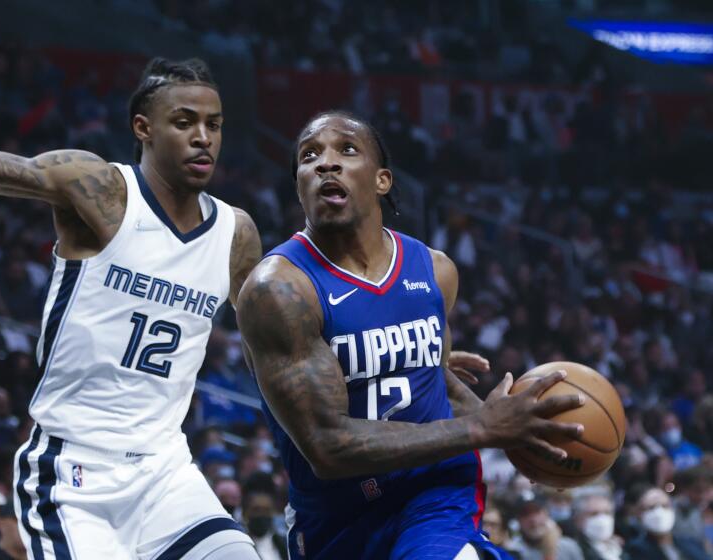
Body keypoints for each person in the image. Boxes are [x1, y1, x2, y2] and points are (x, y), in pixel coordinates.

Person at [0, 57, 262, 560]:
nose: (203, 136)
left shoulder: (236, 232)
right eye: (184, 122)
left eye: (214, 125)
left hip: (165, 470)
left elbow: (270, 347)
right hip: (74, 472)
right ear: (144, 128)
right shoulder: (100, 190)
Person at [237, 111, 586, 559]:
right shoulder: (281, 289)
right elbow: (326, 447)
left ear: (382, 180)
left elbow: (432, 378)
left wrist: (512, 431)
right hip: (338, 517)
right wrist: (481, 426)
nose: (325, 163)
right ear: (299, 184)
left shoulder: (435, 271)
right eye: (309, 155)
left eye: (346, 149)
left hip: (434, 494)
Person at [624, 487, 708, 560]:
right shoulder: (635, 549)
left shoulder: (691, 543)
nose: (659, 512)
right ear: (639, 515)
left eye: (665, 506)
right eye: (651, 507)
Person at [509, 498, 584, 560]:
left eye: (537, 512)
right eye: (525, 514)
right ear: (518, 521)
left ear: (546, 514)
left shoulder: (568, 545)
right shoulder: (513, 551)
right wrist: (549, 553)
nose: (533, 519)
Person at [572, 492, 623, 560]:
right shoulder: (573, 549)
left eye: (607, 513)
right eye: (594, 514)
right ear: (578, 519)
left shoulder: (619, 548)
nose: (602, 519)